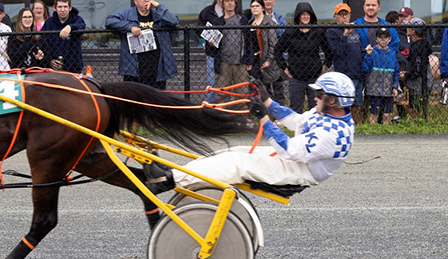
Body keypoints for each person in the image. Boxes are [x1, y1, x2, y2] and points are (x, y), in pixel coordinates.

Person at [144, 72, 356, 192]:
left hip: (299, 172)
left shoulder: (334, 134)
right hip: (296, 162)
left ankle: (169, 180)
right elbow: (295, 120)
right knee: (233, 153)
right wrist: (267, 101)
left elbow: (288, 149)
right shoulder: (328, 114)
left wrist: (263, 117)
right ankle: (179, 173)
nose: (316, 97)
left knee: (235, 164)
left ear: (333, 99)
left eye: (320, 94)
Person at [105, 0, 179, 90]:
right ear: (135, 1)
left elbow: (174, 21)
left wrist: (158, 6)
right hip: (134, 68)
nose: (146, 0)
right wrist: (130, 27)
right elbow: (109, 21)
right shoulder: (127, 13)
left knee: (157, 100)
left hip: (157, 69)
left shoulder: (158, 14)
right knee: (134, 101)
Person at [274, 2, 332, 113]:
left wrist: (325, 66)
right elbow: (277, 50)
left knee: (315, 109)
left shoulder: (318, 32)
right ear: (298, 16)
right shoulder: (290, 32)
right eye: (302, 14)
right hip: (296, 77)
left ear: (311, 16)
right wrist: (284, 68)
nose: (305, 17)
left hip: (314, 76)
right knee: (296, 108)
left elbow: (328, 51)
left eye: (307, 14)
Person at [211, 0, 256, 101]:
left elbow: (249, 41)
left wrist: (249, 60)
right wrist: (212, 44)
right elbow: (211, 49)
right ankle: (221, 117)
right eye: (227, 1)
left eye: (231, 1)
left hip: (240, 63)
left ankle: (241, 117)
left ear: (235, 4)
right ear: (223, 4)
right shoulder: (218, 22)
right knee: (221, 94)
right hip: (223, 64)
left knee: (242, 94)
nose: (229, 3)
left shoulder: (242, 20)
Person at [326, 3, 365, 118]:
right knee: (345, 105)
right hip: (344, 74)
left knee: (357, 104)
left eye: (346, 14)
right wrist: (345, 35)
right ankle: (344, 123)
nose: (344, 17)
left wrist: (365, 50)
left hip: (358, 73)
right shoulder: (332, 31)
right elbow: (337, 52)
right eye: (341, 14)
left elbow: (358, 48)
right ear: (335, 16)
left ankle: (356, 127)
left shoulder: (356, 29)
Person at [197, 0, 231, 102]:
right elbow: (198, 29)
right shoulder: (207, 12)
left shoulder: (233, 11)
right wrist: (208, 38)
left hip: (229, 53)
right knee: (211, 81)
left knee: (227, 84)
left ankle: (226, 111)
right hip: (212, 53)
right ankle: (210, 110)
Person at [249, 0, 285, 105]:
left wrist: (269, 60)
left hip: (269, 61)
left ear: (262, 8)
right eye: (252, 6)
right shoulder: (249, 23)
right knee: (260, 90)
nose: (255, 8)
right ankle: (262, 114)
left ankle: (279, 116)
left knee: (277, 90)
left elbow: (273, 44)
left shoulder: (269, 23)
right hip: (255, 62)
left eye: (257, 6)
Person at [362, 28, 400, 124]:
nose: (383, 40)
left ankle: (385, 131)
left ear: (389, 39)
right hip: (374, 89)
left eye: (385, 37)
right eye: (380, 37)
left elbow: (396, 72)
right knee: (374, 113)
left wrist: (395, 86)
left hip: (388, 88)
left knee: (388, 114)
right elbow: (365, 68)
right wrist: (368, 55)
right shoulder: (372, 51)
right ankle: (372, 131)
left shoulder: (392, 53)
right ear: (376, 39)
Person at [41, 0, 87, 72]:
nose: (63, 10)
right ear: (54, 8)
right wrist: (49, 60)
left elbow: (82, 25)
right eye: (60, 7)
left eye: (65, 6)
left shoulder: (77, 19)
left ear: (70, 8)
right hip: (53, 68)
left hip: (74, 68)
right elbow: (42, 43)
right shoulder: (49, 23)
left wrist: (70, 27)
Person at [404, 24, 432, 119]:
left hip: (417, 82)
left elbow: (417, 68)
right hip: (424, 80)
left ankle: (417, 122)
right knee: (419, 103)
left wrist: (407, 75)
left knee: (415, 106)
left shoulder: (416, 47)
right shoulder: (425, 44)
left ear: (413, 31)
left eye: (409, 28)